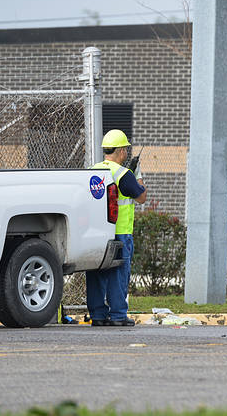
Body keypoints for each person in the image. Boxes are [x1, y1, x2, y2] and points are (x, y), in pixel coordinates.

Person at [86, 129, 146, 327]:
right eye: (126, 149)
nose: (127, 153)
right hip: (119, 232)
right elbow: (141, 197)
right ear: (120, 151)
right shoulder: (123, 174)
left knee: (96, 272)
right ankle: (119, 315)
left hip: (95, 232)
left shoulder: (93, 170)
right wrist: (137, 175)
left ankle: (98, 315)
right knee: (118, 274)